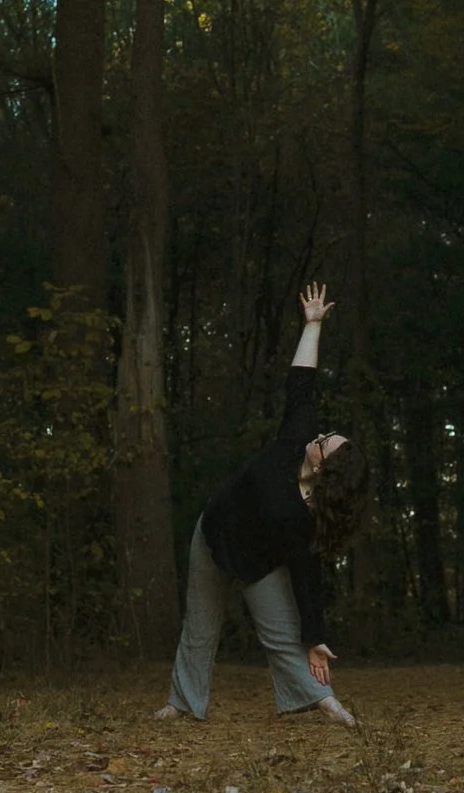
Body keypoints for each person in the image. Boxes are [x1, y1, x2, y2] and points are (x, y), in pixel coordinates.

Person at [154, 281, 370, 725]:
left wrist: (316, 637)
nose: (320, 437)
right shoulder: (296, 438)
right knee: (199, 630)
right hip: (213, 535)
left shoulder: (307, 518)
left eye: (326, 443)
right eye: (326, 436)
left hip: (258, 564)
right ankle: (181, 705)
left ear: (327, 470)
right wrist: (312, 325)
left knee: (285, 636)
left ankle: (323, 702)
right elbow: (301, 383)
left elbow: (307, 579)